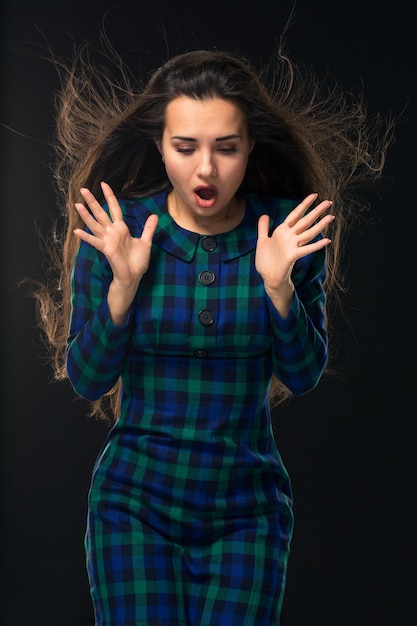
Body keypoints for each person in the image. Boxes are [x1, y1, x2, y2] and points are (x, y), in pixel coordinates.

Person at [34, 36, 393, 626]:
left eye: (226, 148)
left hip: (246, 510)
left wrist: (280, 288)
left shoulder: (287, 232)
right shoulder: (118, 230)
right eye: (186, 147)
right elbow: (89, 379)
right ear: (160, 146)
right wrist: (121, 290)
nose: (206, 168)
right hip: (134, 503)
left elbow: (302, 376)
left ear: (251, 147)